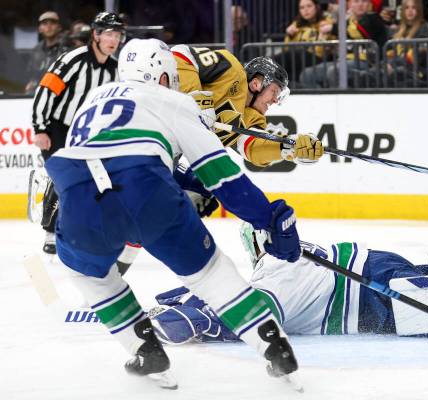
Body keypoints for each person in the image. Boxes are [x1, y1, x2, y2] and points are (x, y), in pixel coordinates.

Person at [43, 38, 302, 389]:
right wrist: (268, 218)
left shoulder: (92, 100)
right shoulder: (176, 100)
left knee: (88, 275)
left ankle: (143, 348)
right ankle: (275, 347)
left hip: (79, 191)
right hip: (146, 186)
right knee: (211, 275)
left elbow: (93, 153)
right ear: (163, 76)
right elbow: (223, 176)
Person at [148, 222, 428, 344]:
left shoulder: (271, 274)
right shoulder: (275, 269)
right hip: (366, 285)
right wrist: (200, 314)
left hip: (366, 284)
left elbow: (252, 315)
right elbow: (254, 313)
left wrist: (203, 317)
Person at [31, 11, 125, 254]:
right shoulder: (74, 60)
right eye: (108, 34)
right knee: (63, 179)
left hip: (89, 132)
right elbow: (46, 90)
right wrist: (40, 128)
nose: (113, 40)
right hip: (58, 128)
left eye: (117, 35)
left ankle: (85, 231)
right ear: (95, 35)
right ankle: (51, 232)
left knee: (95, 181)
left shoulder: (116, 69)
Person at [171, 44, 324, 169]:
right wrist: (198, 102)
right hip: (153, 117)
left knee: (201, 195)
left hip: (168, 151)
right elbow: (181, 54)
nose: (275, 100)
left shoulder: (250, 119)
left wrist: (287, 147)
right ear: (256, 83)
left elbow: (252, 148)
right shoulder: (231, 71)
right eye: (275, 92)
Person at [299, 0, 389, 88]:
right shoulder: (347, 21)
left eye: (364, 1)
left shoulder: (374, 18)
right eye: (356, 1)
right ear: (349, 4)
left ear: (369, 4)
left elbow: (360, 31)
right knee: (307, 74)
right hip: (342, 61)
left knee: (334, 71)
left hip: (366, 61)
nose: (360, 4)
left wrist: (333, 28)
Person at [274, 0, 337, 87]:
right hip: (298, 60)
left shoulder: (326, 22)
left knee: (297, 52)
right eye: (302, 8)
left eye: (309, 6)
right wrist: (289, 36)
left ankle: (267, 66)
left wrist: (323, 36)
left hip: (318, 59)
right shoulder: (296, 25)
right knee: (286, 75)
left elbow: (322, 50)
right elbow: (286, 48)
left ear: (316, 7)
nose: (305, 10)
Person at [386, 0, 428, 86]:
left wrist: (391, 64)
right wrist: (387, 63)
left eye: (413, 8)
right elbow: (389, 52)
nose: (410, 11)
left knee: (397, 72)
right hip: (396, 68)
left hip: (416, 72)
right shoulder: (397, 31)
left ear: (419, 10)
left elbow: (419, 54)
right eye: (407, 8)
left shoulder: (424, 28)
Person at [25, 11, 69, 94]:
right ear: (40, 29)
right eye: (45, 23)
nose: (49, 26)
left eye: (52, 23)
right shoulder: (36, 50)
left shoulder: (67, 48)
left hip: (61, 93)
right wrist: (30, 84)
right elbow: (31, 75)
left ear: (59, 27)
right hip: (38, 93)